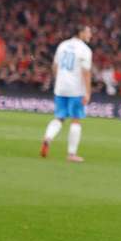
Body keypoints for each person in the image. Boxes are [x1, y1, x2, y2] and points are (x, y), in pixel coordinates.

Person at [41, 25, 92, 163]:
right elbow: (86, 73)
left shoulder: (62, 45)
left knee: (59, 117)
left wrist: (60, 81)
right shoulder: (85, 50)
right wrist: (87, 92)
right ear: (80, 33)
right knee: (76, 119)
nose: (90, 35)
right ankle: (71, 154)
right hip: (75, 89)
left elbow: (54, 67)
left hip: (60, 88)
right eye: (88, 32)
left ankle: (47, 138)